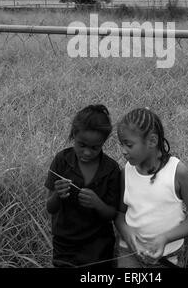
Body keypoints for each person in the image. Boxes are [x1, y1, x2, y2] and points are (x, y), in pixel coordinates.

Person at [115, 107, 188, 268]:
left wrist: (165, 238)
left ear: (152, 141)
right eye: (121, 144)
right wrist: (126, 232)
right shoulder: (126, 172)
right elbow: (120, 214)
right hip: (129, 253)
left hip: (167, 257)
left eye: (128, 145)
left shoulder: (178, 173)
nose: (123, 151)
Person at [45, 104, 121, 268]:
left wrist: (97, 204)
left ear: (104, 142)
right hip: (65, 245)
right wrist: (58, 194)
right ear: (74, 136)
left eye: (95, 147)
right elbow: (50, 207)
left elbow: (112, 214)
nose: (87, 152)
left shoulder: (110, 169)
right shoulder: (62, 161)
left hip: (99, 246)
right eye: (82, 145)